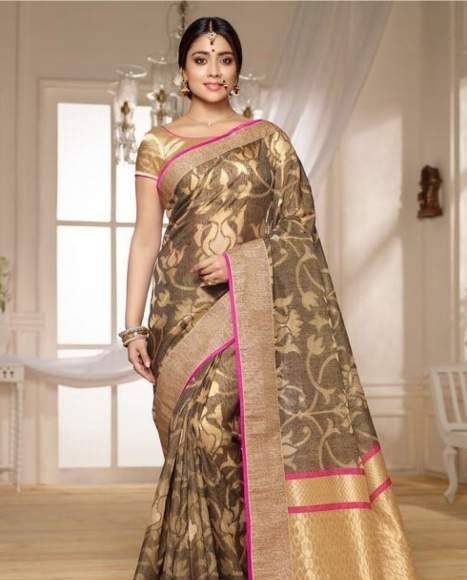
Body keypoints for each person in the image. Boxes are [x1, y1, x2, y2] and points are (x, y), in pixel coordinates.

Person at [120, 15, 419, 580]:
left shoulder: (269, 140)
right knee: (194, 440)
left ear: (238, 70)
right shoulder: (158, 144)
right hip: (179, 312)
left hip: (251, 309)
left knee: (220, 433)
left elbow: (300, 229)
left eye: (225, 59)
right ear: (183, 71)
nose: (214, 70)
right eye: (201, 59)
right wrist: (133, 326)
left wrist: (241, 264)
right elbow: (144, 238)